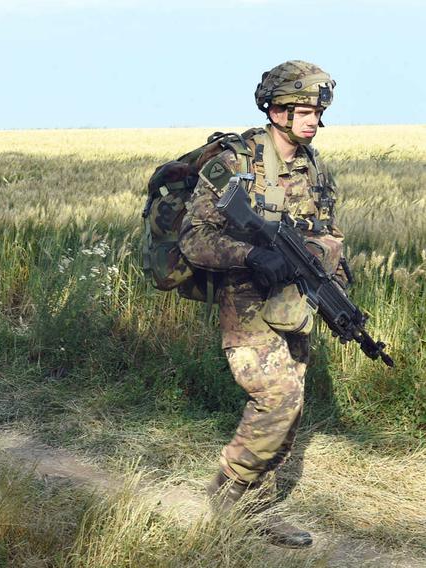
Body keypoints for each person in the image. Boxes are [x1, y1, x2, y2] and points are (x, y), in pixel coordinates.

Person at [178, 61, 347, 548]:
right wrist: (251, 254)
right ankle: (226, 497)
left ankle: (255, 511)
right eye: (303, 110)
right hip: (246, 304)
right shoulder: (236, 162)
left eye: (318, 111)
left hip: (295, 304)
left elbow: (327, 230)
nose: (313, 120)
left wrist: (329, 267)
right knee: (278, 399)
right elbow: (194, 239)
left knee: (288, 409)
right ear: (275, 110)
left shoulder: (313, 165)